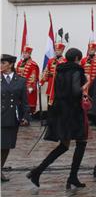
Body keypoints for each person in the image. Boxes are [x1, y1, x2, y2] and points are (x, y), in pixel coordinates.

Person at [28, 47, 89, 189]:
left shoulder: (59, 69)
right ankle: (72, 177)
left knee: (64, 145)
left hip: (59, 110)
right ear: (77, 59)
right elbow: (75, 91)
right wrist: (87, 84)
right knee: (81, 141)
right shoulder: (77, 70)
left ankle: (37, 171)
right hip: (72, 111)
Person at [1, 54, 30, 182]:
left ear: (11, 65)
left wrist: (25, 116)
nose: (1, 65)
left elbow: (24, 101)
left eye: (3, 62)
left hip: (12, 117)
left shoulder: (21, 80)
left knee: (6, 145)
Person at [39, 41, 66, 117]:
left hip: (59, 85)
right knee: (49, 102)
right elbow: (46, 71)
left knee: (58, 102)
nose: (57, 52)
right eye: (56, 50)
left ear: (62, 51)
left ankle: (59, 117)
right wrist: (42, 82)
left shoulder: (65, 61)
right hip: (51, 85)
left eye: (59, 50)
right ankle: (50, 117)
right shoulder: (51, 61)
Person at [15, 45, 40, 116]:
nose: (24, 54)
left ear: (29, 54)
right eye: (23, 53)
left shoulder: (33, 64)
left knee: (27, 103)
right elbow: (16, 74)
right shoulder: (19, 63)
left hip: (27, 87)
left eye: (26, 53)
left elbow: (33, 77)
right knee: (19, 103)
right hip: (18, 86)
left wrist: (30, 87)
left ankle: (26, 118)